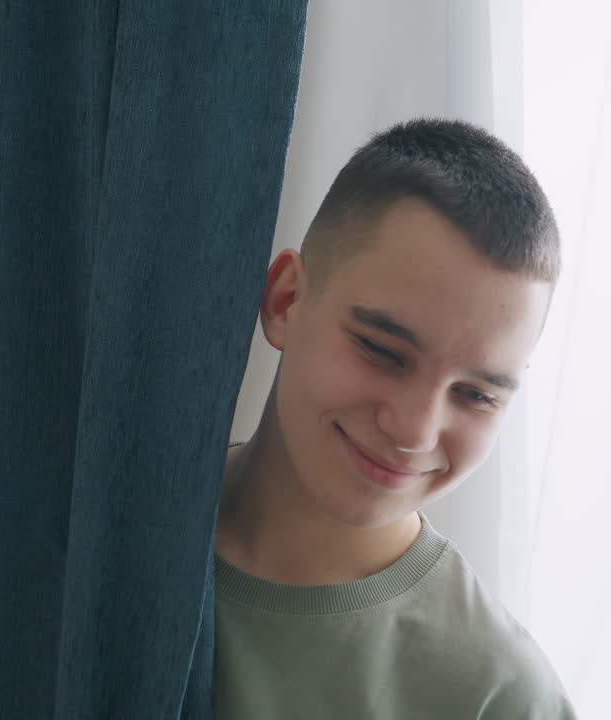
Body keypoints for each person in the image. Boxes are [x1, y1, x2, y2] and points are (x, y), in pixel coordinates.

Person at [214, 118, 577, 718]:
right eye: (383, 352)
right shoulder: (109, 527)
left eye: (477, 395)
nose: (414, 430)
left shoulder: (499, 696)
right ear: (286, 302)